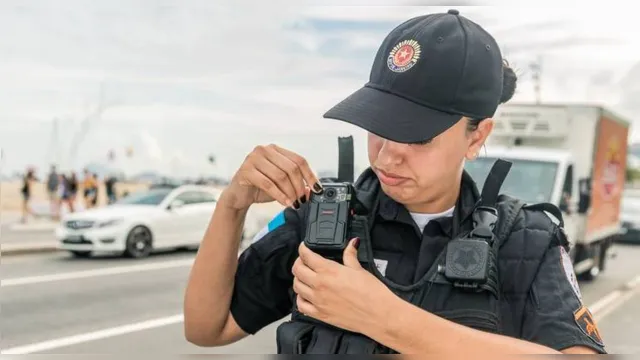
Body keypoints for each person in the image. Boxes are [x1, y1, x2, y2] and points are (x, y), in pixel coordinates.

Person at [183, 10, 606, 355]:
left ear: (476, 136)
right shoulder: (324, 219)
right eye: (378, 126)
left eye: (417, 135)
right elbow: (208, 328)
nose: (387, 155)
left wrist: (384, 318)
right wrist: (231, 207)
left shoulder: (525, 240)